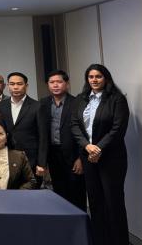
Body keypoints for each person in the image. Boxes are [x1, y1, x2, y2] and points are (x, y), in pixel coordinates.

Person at [71, 64, 129, 245]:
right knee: (95, 202)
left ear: (106, 78)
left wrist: (98, 148)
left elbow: (118, 128)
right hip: (88, 157)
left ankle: (119, 241)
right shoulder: (81, 99)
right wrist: (87, 146)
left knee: (113, 202)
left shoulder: (117, 99)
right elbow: (74, 125)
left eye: (98, 76)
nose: (94, 80)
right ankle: (100, 240)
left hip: (111, 158)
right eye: (90, 77)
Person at [38, 70, 86, 210]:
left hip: (73, 155)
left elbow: (83, 132)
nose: (55, 85)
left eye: (59, 82)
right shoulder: (43, 103)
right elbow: (42, 133)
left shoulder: (77, 102)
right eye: (52, 82)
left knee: (76, 194)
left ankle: (79, 228)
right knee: (58, 194)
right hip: (53, 155)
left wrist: (80, 157)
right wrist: (42, 161)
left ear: (67, 84)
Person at [0, 72, 43, 183]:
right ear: (7, 86)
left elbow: (43, 137)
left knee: (31, 195)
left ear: (26, 86)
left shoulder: (37, 106)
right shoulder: (1, 105)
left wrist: (41, 163)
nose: (15, 87)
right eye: (12, 84)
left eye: (19, 84)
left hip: (31, 160)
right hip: (6, 158)